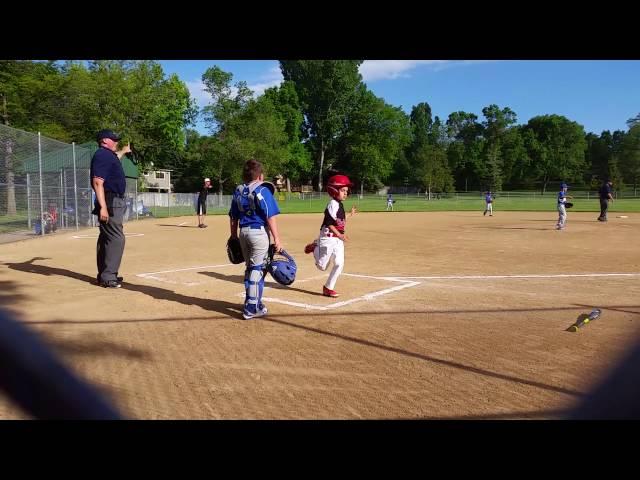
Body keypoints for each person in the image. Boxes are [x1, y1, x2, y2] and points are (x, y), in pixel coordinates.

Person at [229, 160, 283, 320]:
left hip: (243, 233)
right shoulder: (262, 190)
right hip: (258, 234)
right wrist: (277, 239)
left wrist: (233, 236)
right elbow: (270, 216)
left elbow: (233, 217)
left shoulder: (238, 191)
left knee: (250, 268)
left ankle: (254, 302)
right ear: (260, 176)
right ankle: (251, 307)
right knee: (257, 269)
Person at [304, 174, 357, 298]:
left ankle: (328, 288)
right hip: (327, 238)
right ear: (334, 190)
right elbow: (329, 223)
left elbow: (340, 221)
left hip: (337, 239)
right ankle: (315, 247)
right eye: (343, 190)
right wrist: (339, 235)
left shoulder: (340, 205)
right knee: (322, 266)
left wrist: (350, 214)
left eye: (347, 191)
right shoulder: (332, 204)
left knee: (339, 263)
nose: (346, 193)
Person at [90, 129, 130, 288]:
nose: (117, 142)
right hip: (110, 201)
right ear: (105, 141)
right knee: (116, 238)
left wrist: (124, 152)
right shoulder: (102, 155)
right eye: (114, 140)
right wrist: (103, 208)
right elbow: (97, 182)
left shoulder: (108, 155)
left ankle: (104, 275)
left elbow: (116, 157)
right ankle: (108, 276)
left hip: (111, 200)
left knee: (107, 237)